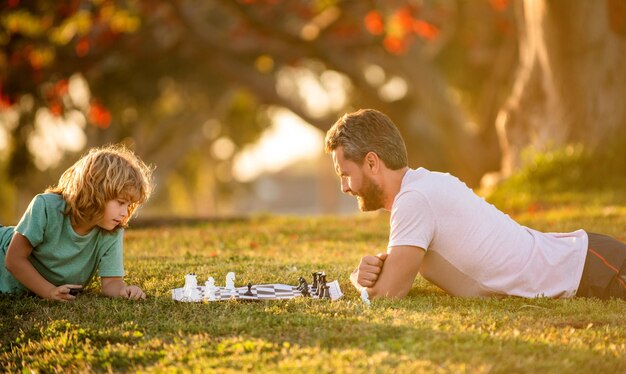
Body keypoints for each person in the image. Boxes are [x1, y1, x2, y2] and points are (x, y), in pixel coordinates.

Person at [324, 108, 626, 300]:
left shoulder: (415, 199)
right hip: (589, 261)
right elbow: (409, 263)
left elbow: (387, 294)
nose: (344, 187)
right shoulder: (424, 187)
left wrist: (357, 279)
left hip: (593, 270)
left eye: (345, 174)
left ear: (373, 162)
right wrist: (383, 264)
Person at [0, 144, 154, 301]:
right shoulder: (46, 206)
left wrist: (125, 291)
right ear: (95, 192)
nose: (125, 213)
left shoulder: (112, 229)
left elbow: (112, 282)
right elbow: (14, 259)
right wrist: (49, 292)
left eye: (129, 206)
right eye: (121, 202)